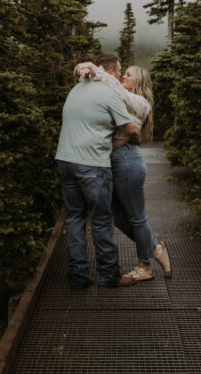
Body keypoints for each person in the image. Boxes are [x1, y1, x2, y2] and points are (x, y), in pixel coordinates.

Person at [75, 55, 172, 284]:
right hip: (111, 161)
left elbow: (117, 91)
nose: (122, 77)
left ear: (139, 82)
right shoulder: (118, 98)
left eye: (128, 74)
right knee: (116, 215)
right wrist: (87, 75)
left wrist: (96, 69)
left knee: (137, 217)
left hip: (127, 160)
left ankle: (145, 266)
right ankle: (154, 247)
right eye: (123, 73)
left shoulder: (140, 102)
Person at [55, 58, 141, 289]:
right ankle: (110, 275)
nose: (120, 77)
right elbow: (129, 127)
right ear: (110, 72)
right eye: (119, 72)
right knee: (101, 220)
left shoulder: (76, 89)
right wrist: (140, 137)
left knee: (74, 218)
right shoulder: (109, 93)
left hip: (65, 159)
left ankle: (78, 276)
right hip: (92, 163)